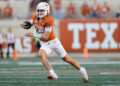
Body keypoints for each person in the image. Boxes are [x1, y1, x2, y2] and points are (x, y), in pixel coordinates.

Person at [20, 2, 88, 82]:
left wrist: (33, 34)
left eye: (42, 10)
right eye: (39, 10)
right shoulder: (35, 16)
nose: (40, 12)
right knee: (42, 54)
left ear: (47, 11)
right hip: (44, 44)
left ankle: (82, 70)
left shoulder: (49, 20)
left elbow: (45, 37)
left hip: (53, 42)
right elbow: (31, 22)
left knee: (67, 59)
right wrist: (24, 24)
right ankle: (53, 73)